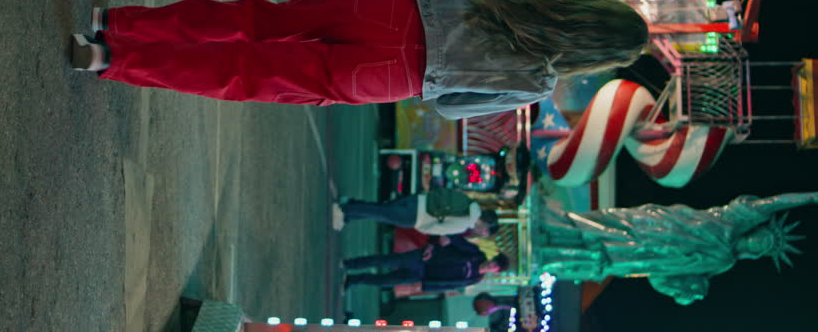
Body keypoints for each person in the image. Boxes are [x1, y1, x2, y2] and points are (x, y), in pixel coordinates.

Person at [69, 0, 648, 119]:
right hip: (388, 76)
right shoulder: (536, 84)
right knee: (245, 75)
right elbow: (451, 108)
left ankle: (115, 21)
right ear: (594, 57)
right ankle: (110, 60)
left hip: (388, 11)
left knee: (254, 18)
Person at [536, 192, 818, 305]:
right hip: (650, 227)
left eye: (764, 247)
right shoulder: (729, 221)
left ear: (759, 254)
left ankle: (548, 258)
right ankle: (549, 228)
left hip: (646, 258)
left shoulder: (722, 263)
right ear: (757, 229)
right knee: (594, 229)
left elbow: (669, 282)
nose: (759, 243)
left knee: (601, 257)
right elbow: (766, 205)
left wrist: (685, 292)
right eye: (764, 237)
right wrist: (809, 197)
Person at [343, 236, 510, 290]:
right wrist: (435, 243)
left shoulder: (474, 279)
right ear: (491, 259)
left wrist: (425, 287)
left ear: (494, 271)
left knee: (387, 281)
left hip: (423, 275)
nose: (491, 266)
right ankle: (350, 264)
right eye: (494, 262)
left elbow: (449, 286)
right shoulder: (476, 254)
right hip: (424, 258)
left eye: (495, 268)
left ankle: (354, 280)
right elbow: (455, 240)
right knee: (386, 261)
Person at [331, 189, 500, 237]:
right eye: (484, 230)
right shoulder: (465, 223)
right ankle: (343, 210)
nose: (482, 233)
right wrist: (422, 228)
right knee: (379, 213)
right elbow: (439, 229)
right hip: (417, 217)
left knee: (381, 210)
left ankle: (348, 213)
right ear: (484, 223)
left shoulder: (469, 203)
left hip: (419, 200)